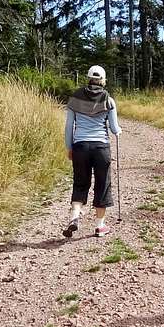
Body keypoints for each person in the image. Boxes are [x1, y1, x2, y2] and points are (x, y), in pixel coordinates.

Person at [63, 65, 121, 238]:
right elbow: (114, 128)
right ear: (103, 80)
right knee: (102, 185)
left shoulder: (75, 99)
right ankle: (100, 226)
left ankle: (74, 216)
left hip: (80, 146)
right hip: (100, 147)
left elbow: (68, 127)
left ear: (88, 78)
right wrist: (119, 131)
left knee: (80, 183)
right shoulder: (109, 101)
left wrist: (69, 147)